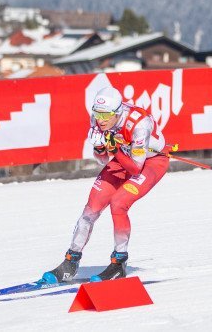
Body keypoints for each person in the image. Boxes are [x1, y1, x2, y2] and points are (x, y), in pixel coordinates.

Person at [41, 86, 171, 283]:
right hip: (123, 158)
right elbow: (102, 159)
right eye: (97, 114)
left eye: (106, 115)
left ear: (117, 113)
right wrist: (100, 146)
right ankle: (70, 261)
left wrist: (115, 148)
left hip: (151, 162)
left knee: (119, 203)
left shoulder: (139, 123)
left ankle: (119, 264)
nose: (100, 120)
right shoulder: (98, 119)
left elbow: (136, 168)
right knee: (90, 209)